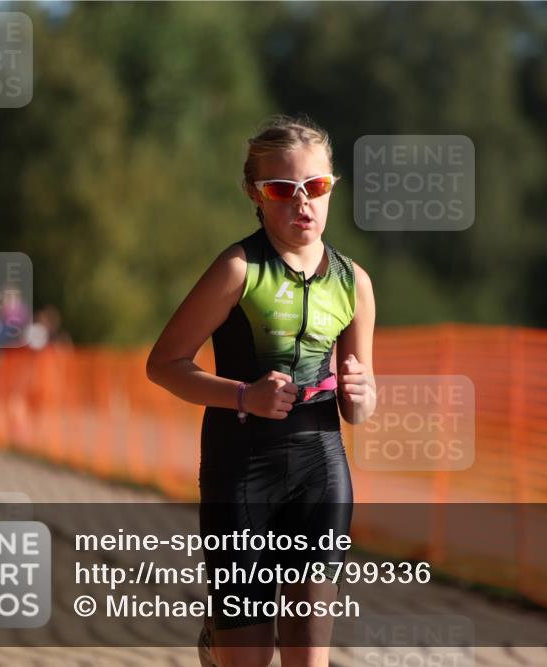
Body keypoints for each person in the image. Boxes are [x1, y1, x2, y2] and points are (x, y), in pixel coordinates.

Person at [146, 114, 377, 667]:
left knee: (307, 659)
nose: (302, 203)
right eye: (282, 189)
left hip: (321, 472)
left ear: (332, 188)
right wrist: (243, 396)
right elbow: (164, 364)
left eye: (315, 187)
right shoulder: (237, 268)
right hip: (242, 474)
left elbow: (357, 405)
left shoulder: (354, 282)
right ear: (256, 193)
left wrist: (365, 395)